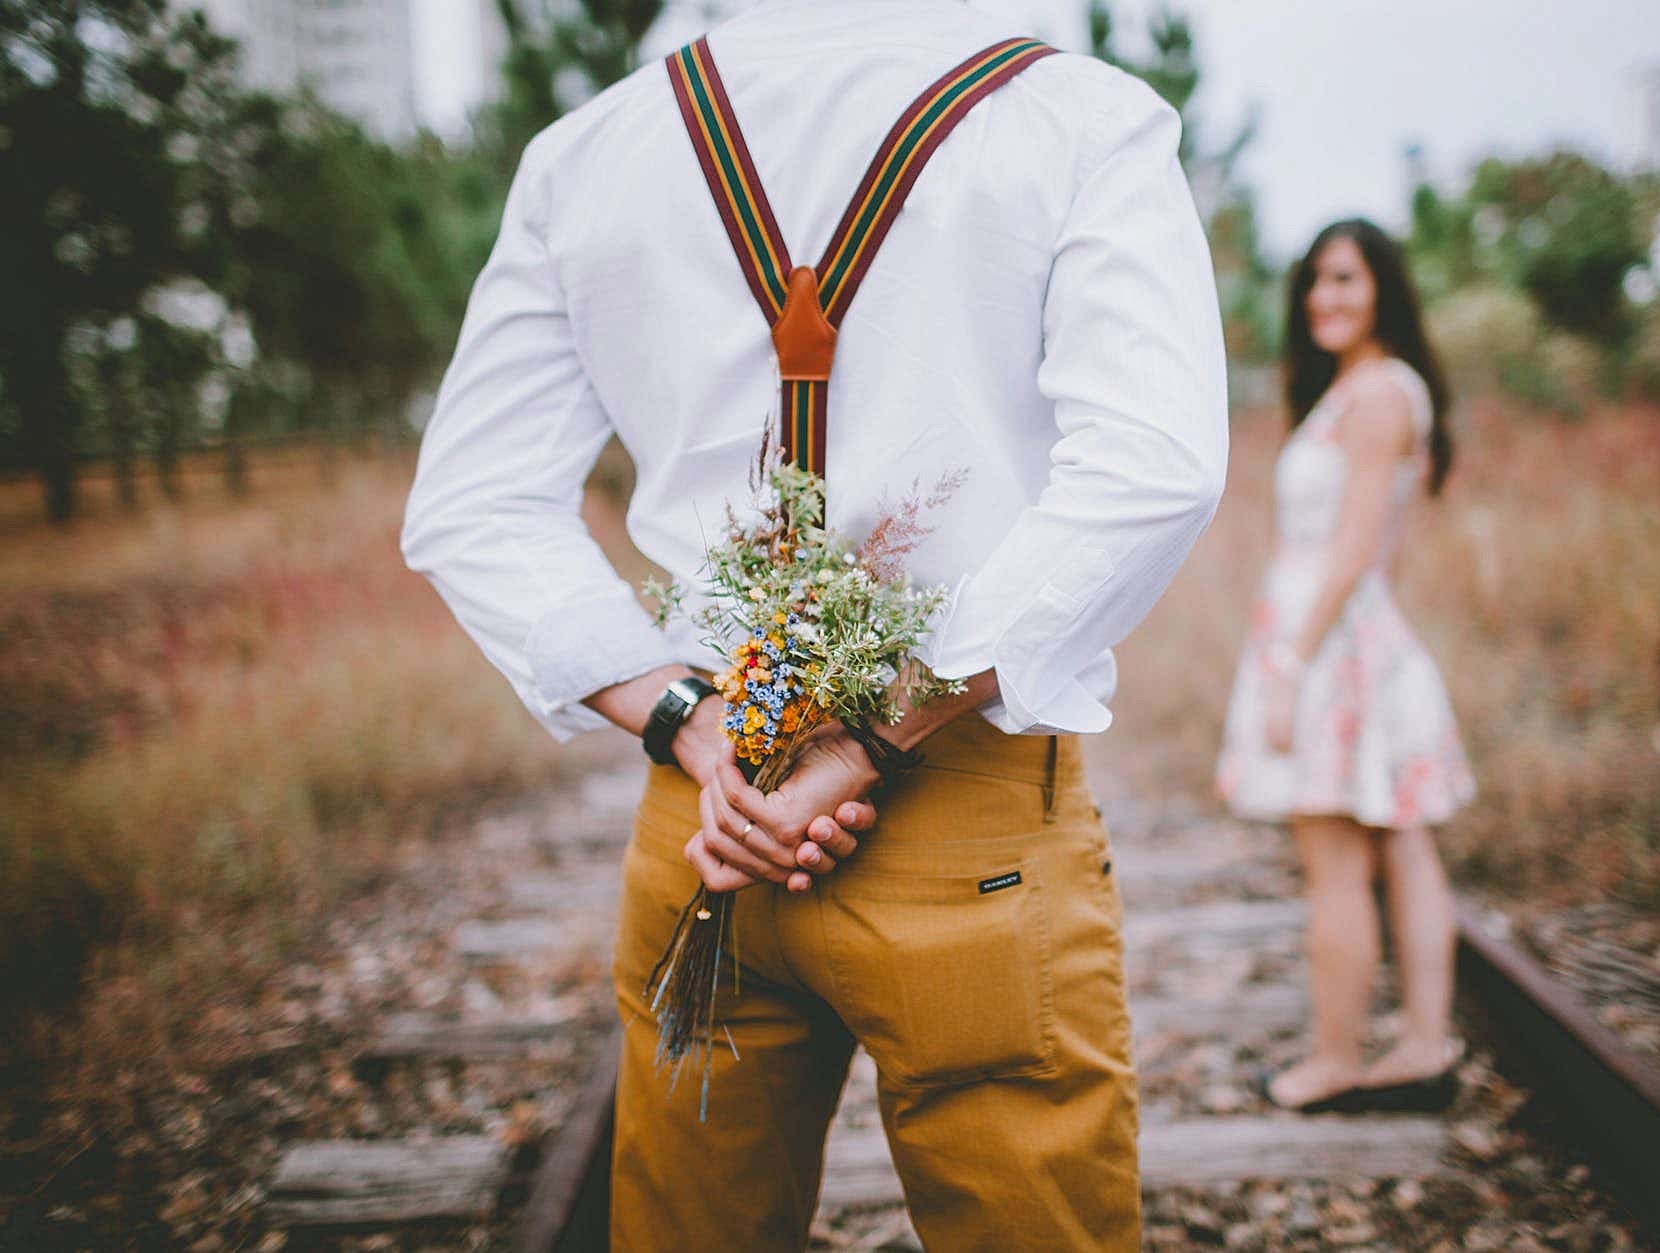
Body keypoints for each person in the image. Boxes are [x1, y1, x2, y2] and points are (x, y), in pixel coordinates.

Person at [399, 0, 1229, 1247]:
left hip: (710, 820)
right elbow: (1151, 465)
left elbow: (471, 501)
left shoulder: (587, 153)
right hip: (963, 810)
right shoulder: (1074, 116)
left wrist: (692, 720)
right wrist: (864, 741)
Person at [1214, 218, 1476, 1115]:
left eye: (1345, 279)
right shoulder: (1368, 388)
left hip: (1328, 646)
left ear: (1383, 290)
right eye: (1315, 283)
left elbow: (1358, 543)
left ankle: (1335, 1060)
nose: (1325, 298)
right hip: (1351, 636)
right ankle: (1420, 1045)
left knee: (1335, 861)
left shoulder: (1376, 396)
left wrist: (1291, 661)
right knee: (1402, 842)